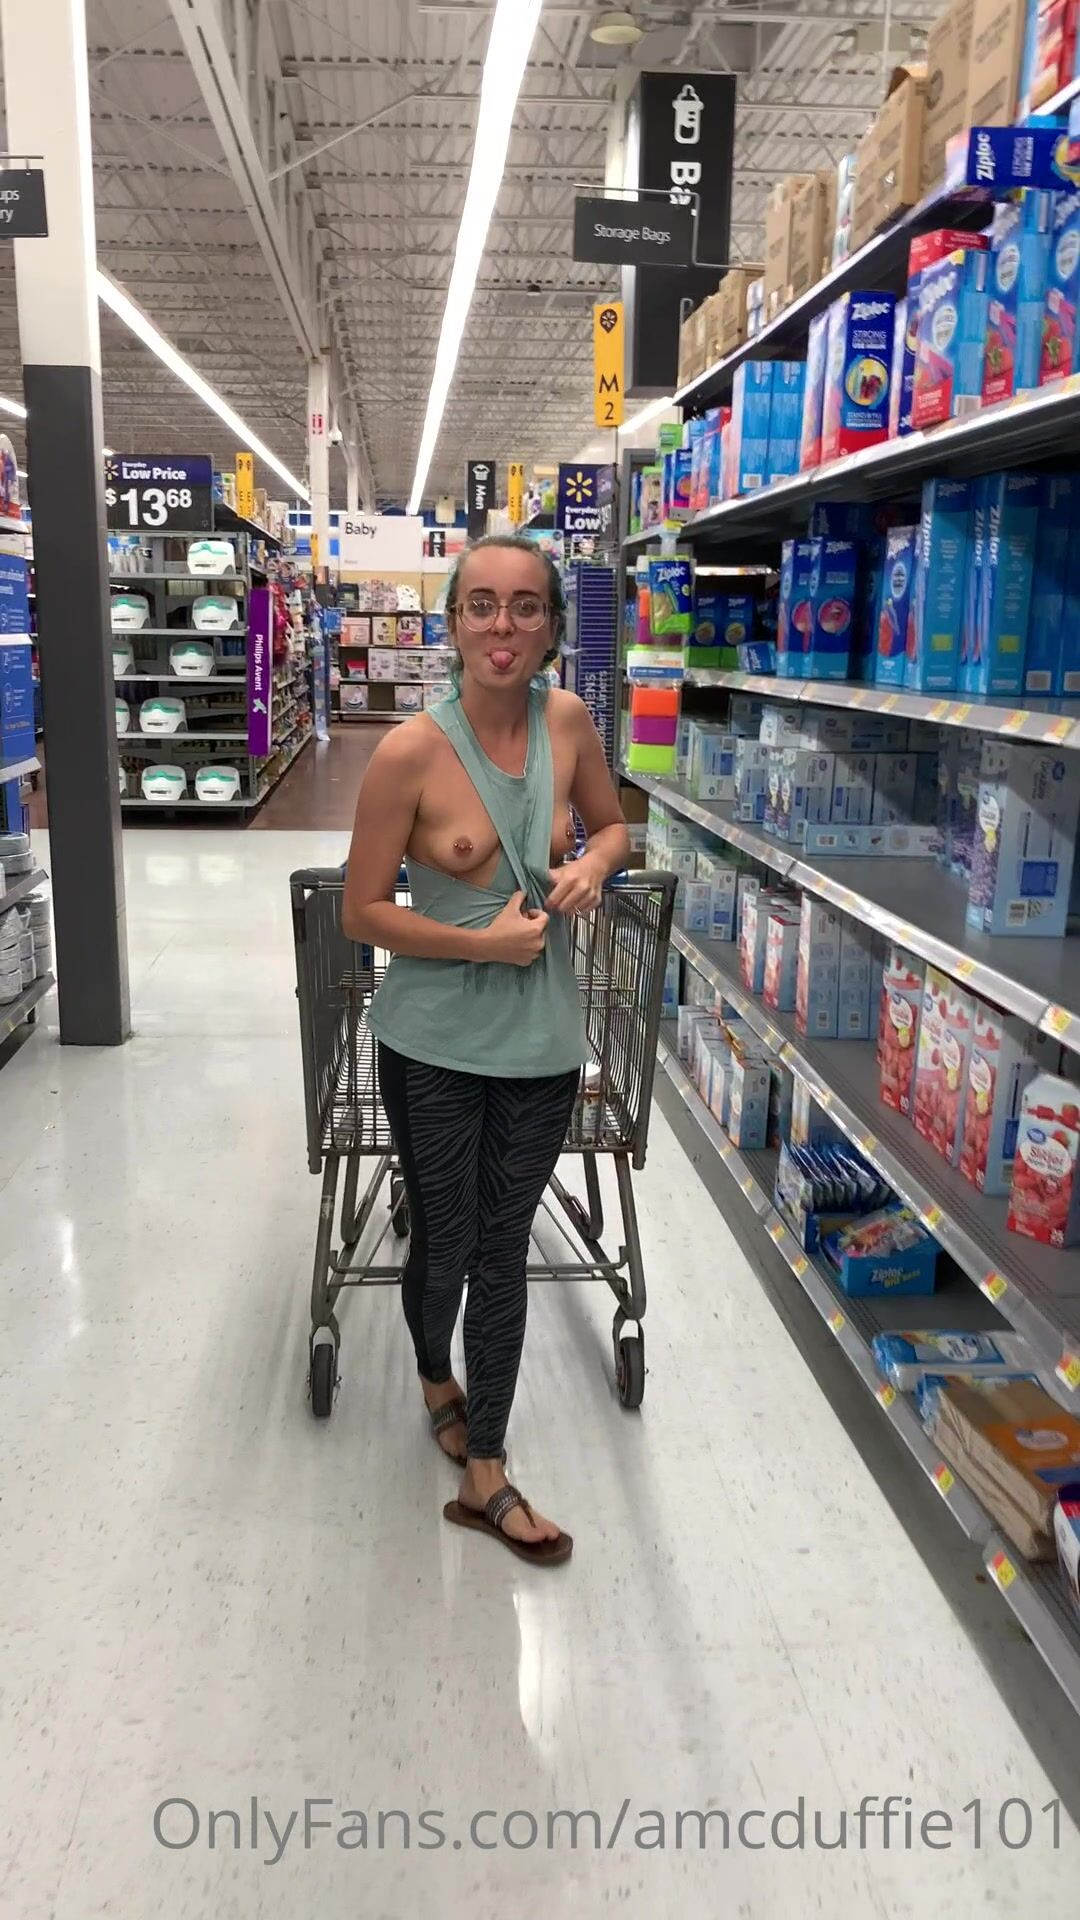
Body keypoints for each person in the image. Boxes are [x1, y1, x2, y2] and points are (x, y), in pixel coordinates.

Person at [343, 534, 630, 1566]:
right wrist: (480, 941)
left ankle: (488, 1466)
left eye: (525, 607)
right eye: (481, 606)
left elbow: (613, 827)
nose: (502, 627)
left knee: (503, 1247)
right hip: (432, 1042)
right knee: (448, 1239)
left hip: (542, 1042)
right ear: (453, 623)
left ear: (552, 625)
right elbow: (361, 911)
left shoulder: (570, 722)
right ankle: (436, 1379)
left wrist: (594, 863)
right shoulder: (408, 753)